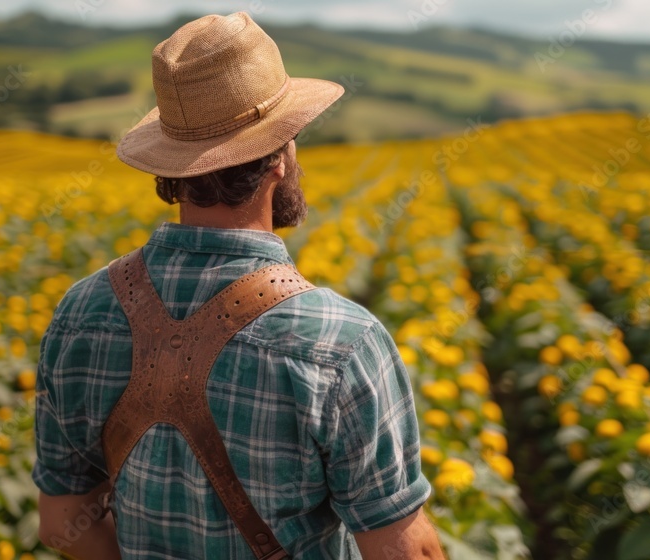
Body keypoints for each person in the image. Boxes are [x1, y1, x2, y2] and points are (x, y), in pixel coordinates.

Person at [32, 12, 444, 560]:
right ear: (280, 158)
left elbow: (63, 524)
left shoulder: (80, 311)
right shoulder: (342, 341)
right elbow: (404, 551)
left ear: (171, 166)